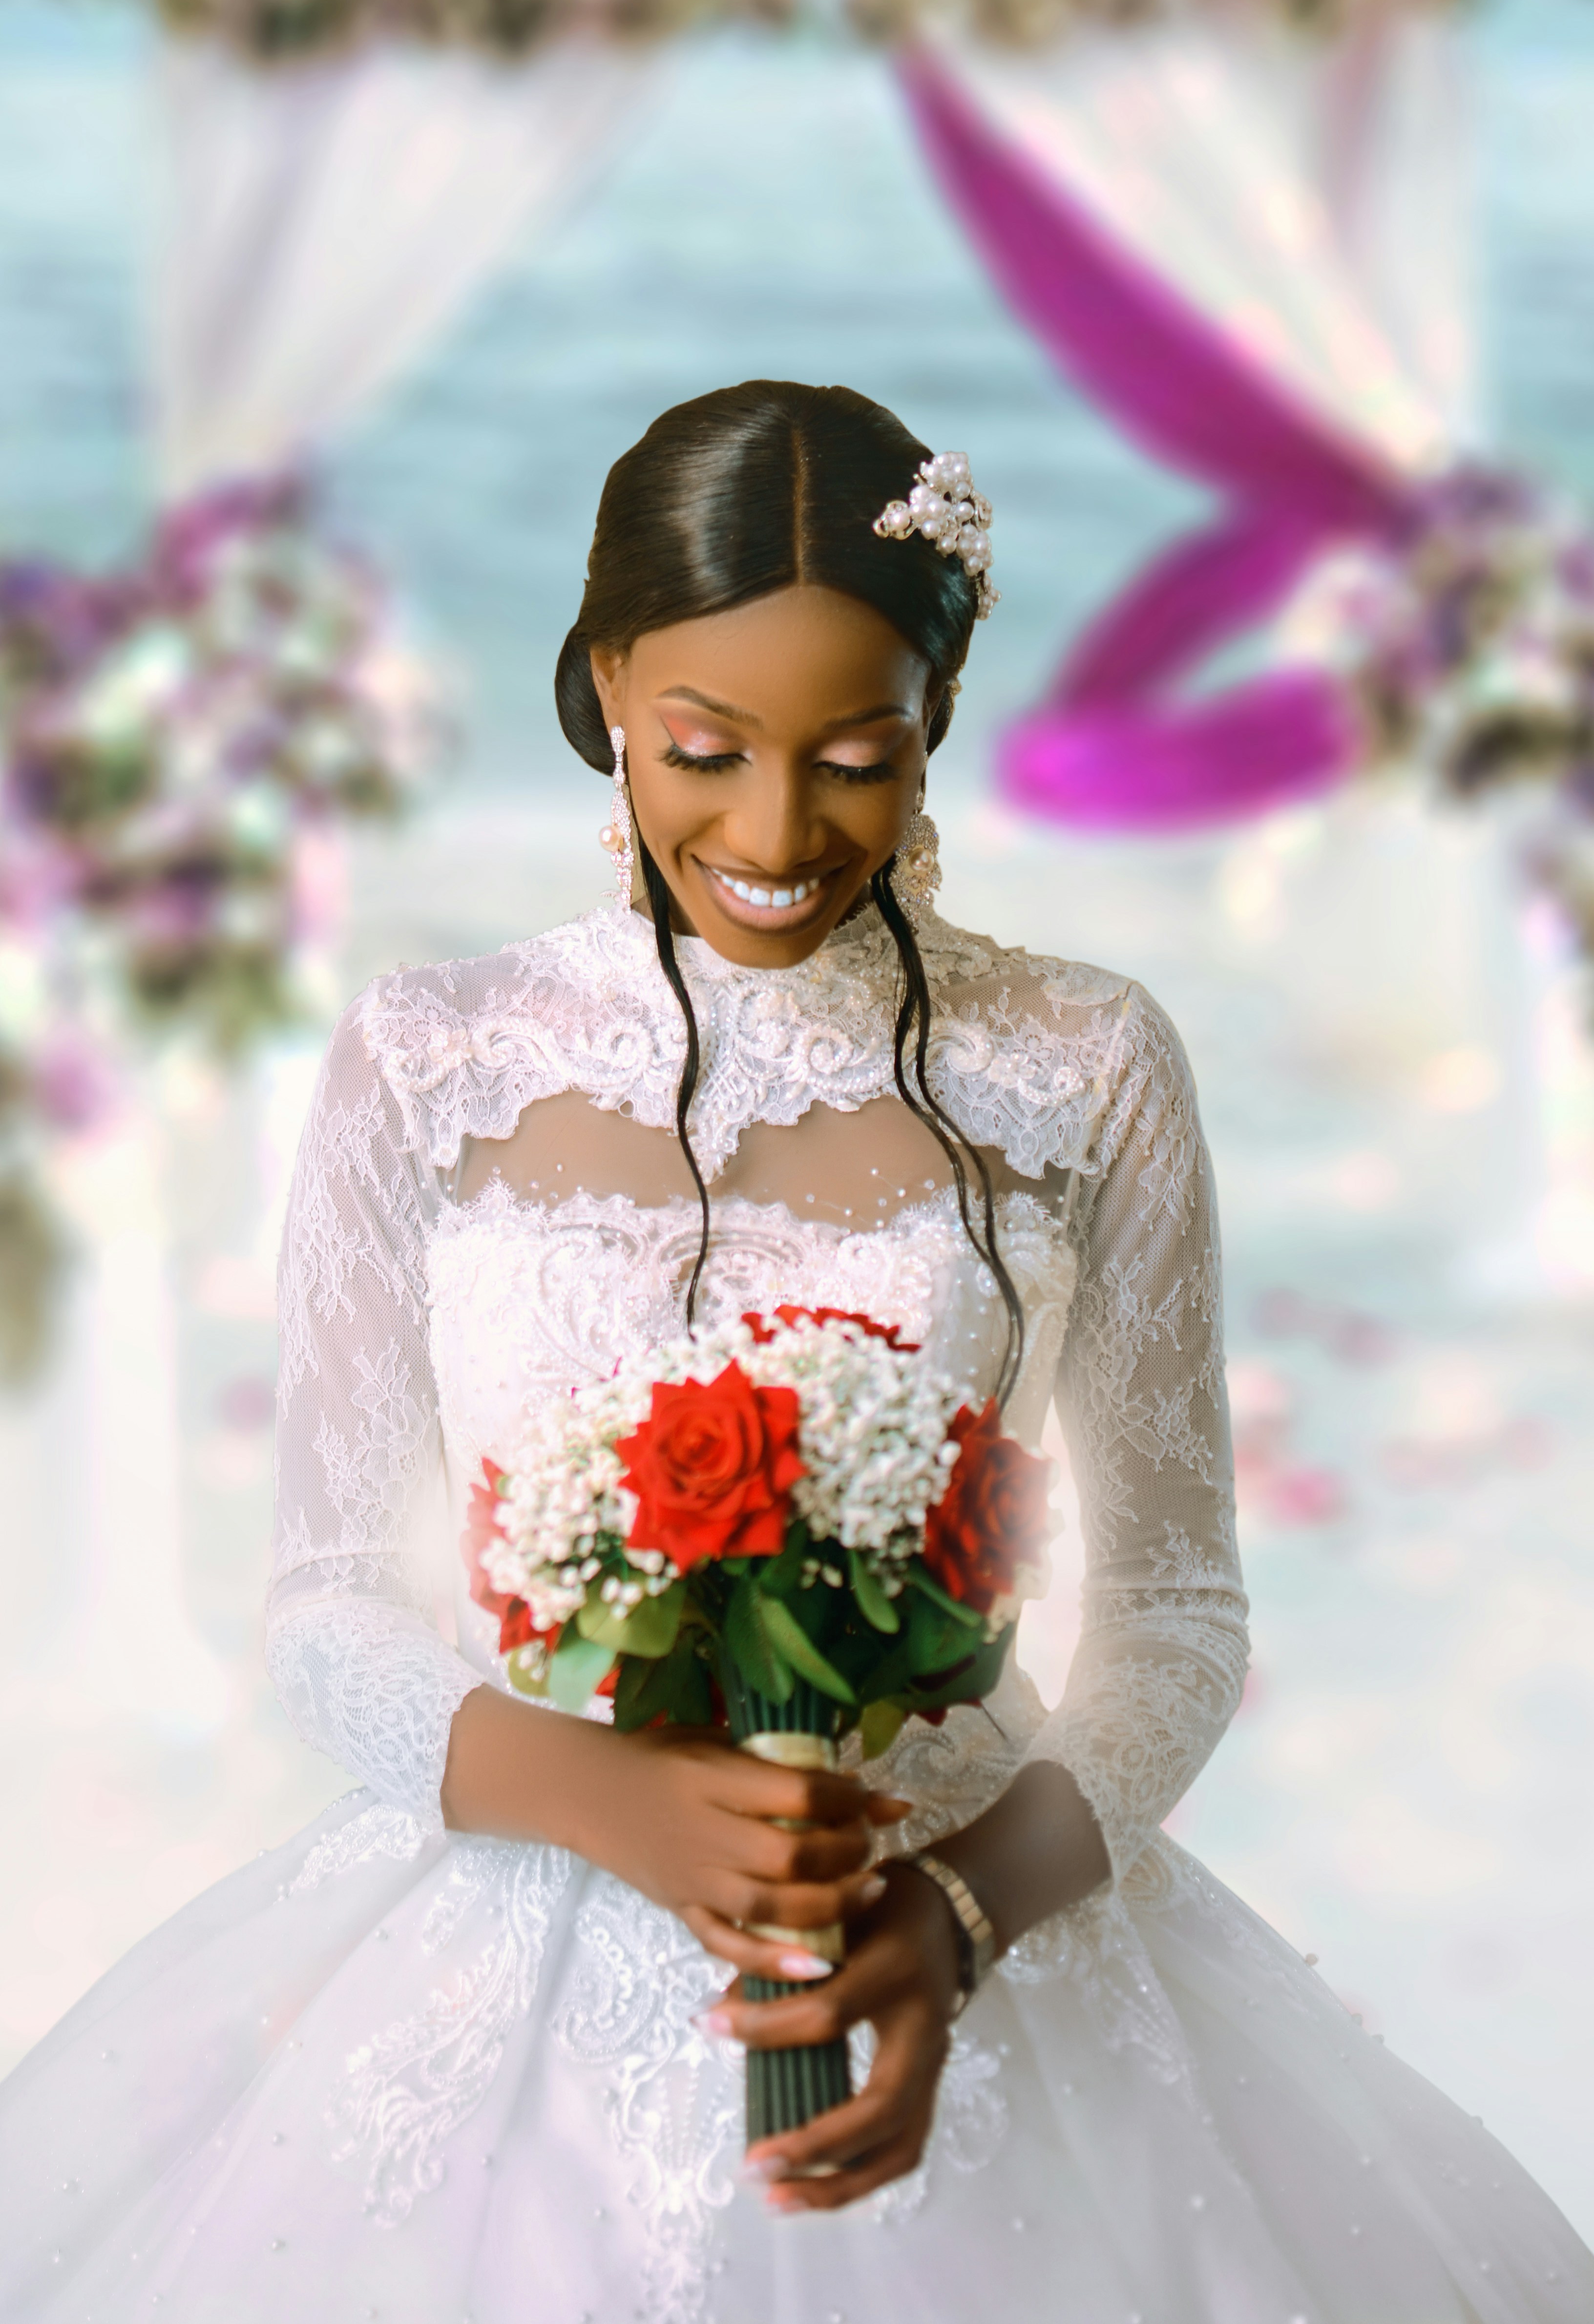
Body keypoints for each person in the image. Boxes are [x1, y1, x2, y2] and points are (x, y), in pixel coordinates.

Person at [1, 380, 1588, 2324]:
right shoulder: (434, 1058)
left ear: (937, 716)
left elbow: (1177, 1611)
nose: (771, 831)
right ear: (603, 686)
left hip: (946, 1922)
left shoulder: (1085, 1063)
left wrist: (964, 1907)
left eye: (857, 754)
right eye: (701, 746)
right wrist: (611, 1798)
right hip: (509, 1932)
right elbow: (328, 1607)